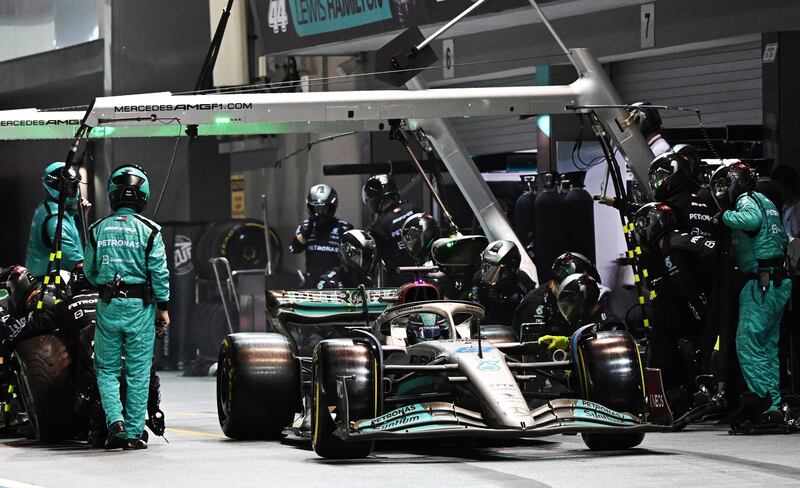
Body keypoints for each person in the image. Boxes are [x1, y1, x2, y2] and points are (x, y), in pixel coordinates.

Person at [84, 164, 170, 450]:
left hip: (108, 306)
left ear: (112, 194)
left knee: (106, 369)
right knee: (138, 371)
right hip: (141, 309)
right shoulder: (151, 231)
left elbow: (91, 272)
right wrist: (163, 308)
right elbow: (159, 273)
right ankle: (133, 433)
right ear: (143, 195)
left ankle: (115, 423)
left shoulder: (97, 229)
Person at [716, 162, 791, 424]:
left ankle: (760, 401)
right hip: (778, 281)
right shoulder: (764, 198)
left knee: (748, 343)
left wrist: (723, 217)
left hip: (761, 282)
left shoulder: (746, 200)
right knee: (767, 347)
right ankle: (772, 405)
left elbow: (751, 221)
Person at [633, 202, 718, 410]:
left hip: (720, 298)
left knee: (662, 329)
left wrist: (702, 320)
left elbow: (687, 289)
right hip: (723, 292)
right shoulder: (679, 240)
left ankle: (675, 393)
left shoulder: (672, 249)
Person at [512, 252, 600, 342]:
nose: (572, 297)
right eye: (566, 290)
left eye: (577, 290)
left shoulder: (588, 298)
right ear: (552, 284)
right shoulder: (534, 305)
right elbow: (531, 348)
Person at [25, 162, 85, 278]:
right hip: (49, 283)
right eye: (65, 186)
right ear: (54, 185)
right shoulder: (55, 217)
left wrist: (77, 216)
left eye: (72, 186)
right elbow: (69, 256)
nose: (71, 191)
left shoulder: (48, 209)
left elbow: (69, 237)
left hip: (46, 279)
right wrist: (89, 269)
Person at [537, 272, 620, 352]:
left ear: (580, 299)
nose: (568, 309)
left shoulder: (609, 324)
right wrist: (568, 342)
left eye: (569, 304)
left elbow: (605, 355)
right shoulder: (582, 321)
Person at [290, 184, 353, 287]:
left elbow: (353, 259)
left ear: (331, 207)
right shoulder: (305, 226)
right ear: (311, 208)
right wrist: (305, 235)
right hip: (312, 281)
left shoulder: (344, 227)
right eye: (317, 208)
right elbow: (294, 249)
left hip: (336, 280)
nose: (320, 212)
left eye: (324, 208)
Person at [362, 174, 420, 285]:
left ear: (373, 199)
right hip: (427, 272)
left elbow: (372, 261)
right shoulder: (412, 208)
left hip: (401, 281)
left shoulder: (376, 227)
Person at [472, 240, 535, 326]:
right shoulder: (479, 279)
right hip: (487, 327)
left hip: (513, 326)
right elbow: (476, 308)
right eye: (487, 267)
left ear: (512, 269)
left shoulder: (523, 282)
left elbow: (530, 309)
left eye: (497, 271)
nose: (489, 275)